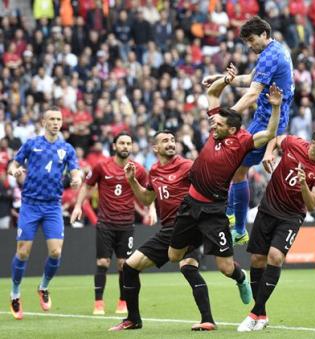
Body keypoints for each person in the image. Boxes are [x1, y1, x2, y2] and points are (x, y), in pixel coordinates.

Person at [166, 69, 283, 330]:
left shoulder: (242, 141)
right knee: (173, 256)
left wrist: (275, 108)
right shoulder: (218, 129)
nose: (212, 126)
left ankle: (241, 279)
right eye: (214, 123)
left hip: (214, 211)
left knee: (224, 267)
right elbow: (212, 92)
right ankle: (195, 246)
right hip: (190, 204)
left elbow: (270, 132)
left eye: (218, 125)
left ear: (232, 129)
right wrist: (226, 79)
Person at [237, 125, 315, 332]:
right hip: (267, 208)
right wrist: (268, 153)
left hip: (291, 217)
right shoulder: (294, 143)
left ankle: (253, 313)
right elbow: (274, 138)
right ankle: (262, 314)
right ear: (313, 143)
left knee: (275, 257)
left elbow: (311, 205)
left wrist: (303, 185)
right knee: (257, 259)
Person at [203, 16, 294, 245]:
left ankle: (238, 226)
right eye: (247, 42)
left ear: (264, 34)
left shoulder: (271, 55)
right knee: (236, 168)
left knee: (238, 169)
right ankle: (234, 218)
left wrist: (225, 116)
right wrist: (222, 79)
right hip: (261, 120)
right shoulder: (272, 52)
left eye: (252, 40)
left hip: (268, 122)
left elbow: (253, 94)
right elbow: (249, 81)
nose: (249, 46)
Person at [108, 130, 211, 331]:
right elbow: (147, 199)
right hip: (169, 230)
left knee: (132, 267)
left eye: (173, 140)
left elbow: (206, 186)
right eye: (165, 141)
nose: (171, 143)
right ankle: (134, 320)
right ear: (156, 148)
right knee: (132, 268)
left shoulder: (188, 166)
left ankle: (207, 319)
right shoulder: (153, 170)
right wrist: (132, 181)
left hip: (186, 226)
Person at [7, 108, 82, 320]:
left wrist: (76, 178)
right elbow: (15, 163)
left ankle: (43, 287)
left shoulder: (66, 148)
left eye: (59, 119)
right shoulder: (32, 144)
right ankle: (15, 294)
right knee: (23, 253)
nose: (56, 122)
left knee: (56, 252)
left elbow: (74, 170)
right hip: (30, 204)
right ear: (43, 122)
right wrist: (14, 171)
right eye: (52, 119)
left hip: (52, 206)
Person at [70, 133, 149, 315]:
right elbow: (87, 186)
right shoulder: (101, 166)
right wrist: (77, 206)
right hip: (105, 223)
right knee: (103, 262)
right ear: (114, 146)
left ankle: (122, 301)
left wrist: (151, 209)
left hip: (126, 224)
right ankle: (99, 302)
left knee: (124, 264)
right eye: (122, 143)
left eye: (128, 143)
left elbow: (148, 190)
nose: (125, 146)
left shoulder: (138, 168)